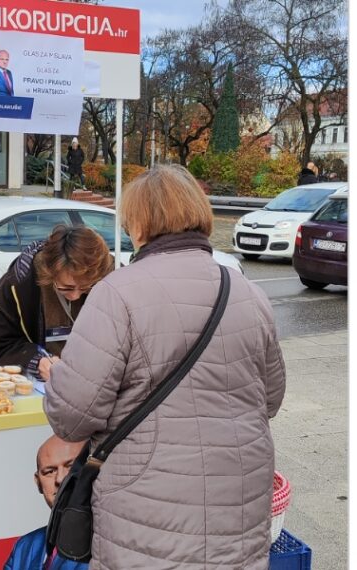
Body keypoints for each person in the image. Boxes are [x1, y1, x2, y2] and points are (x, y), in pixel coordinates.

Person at [44, 165, 286, 567]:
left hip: (148, 506)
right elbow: (271, 399)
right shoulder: (249, 292)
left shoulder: (116, 294)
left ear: (138, 224)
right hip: (239, 496)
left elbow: (72, 417)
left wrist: (56, 381)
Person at [0, 225, 113, 380]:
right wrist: (36, 362)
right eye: (66, 288)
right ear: (49, 273)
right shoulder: (19, 284)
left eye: (85, 288)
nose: (75, 296)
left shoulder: (115, 280)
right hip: (40, 390)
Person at [3, 435, 86, 570]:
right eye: (50, 471)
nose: (60, 479)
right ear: (38, 483)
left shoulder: (114, 543)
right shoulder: (24, 547)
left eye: (71, 467)